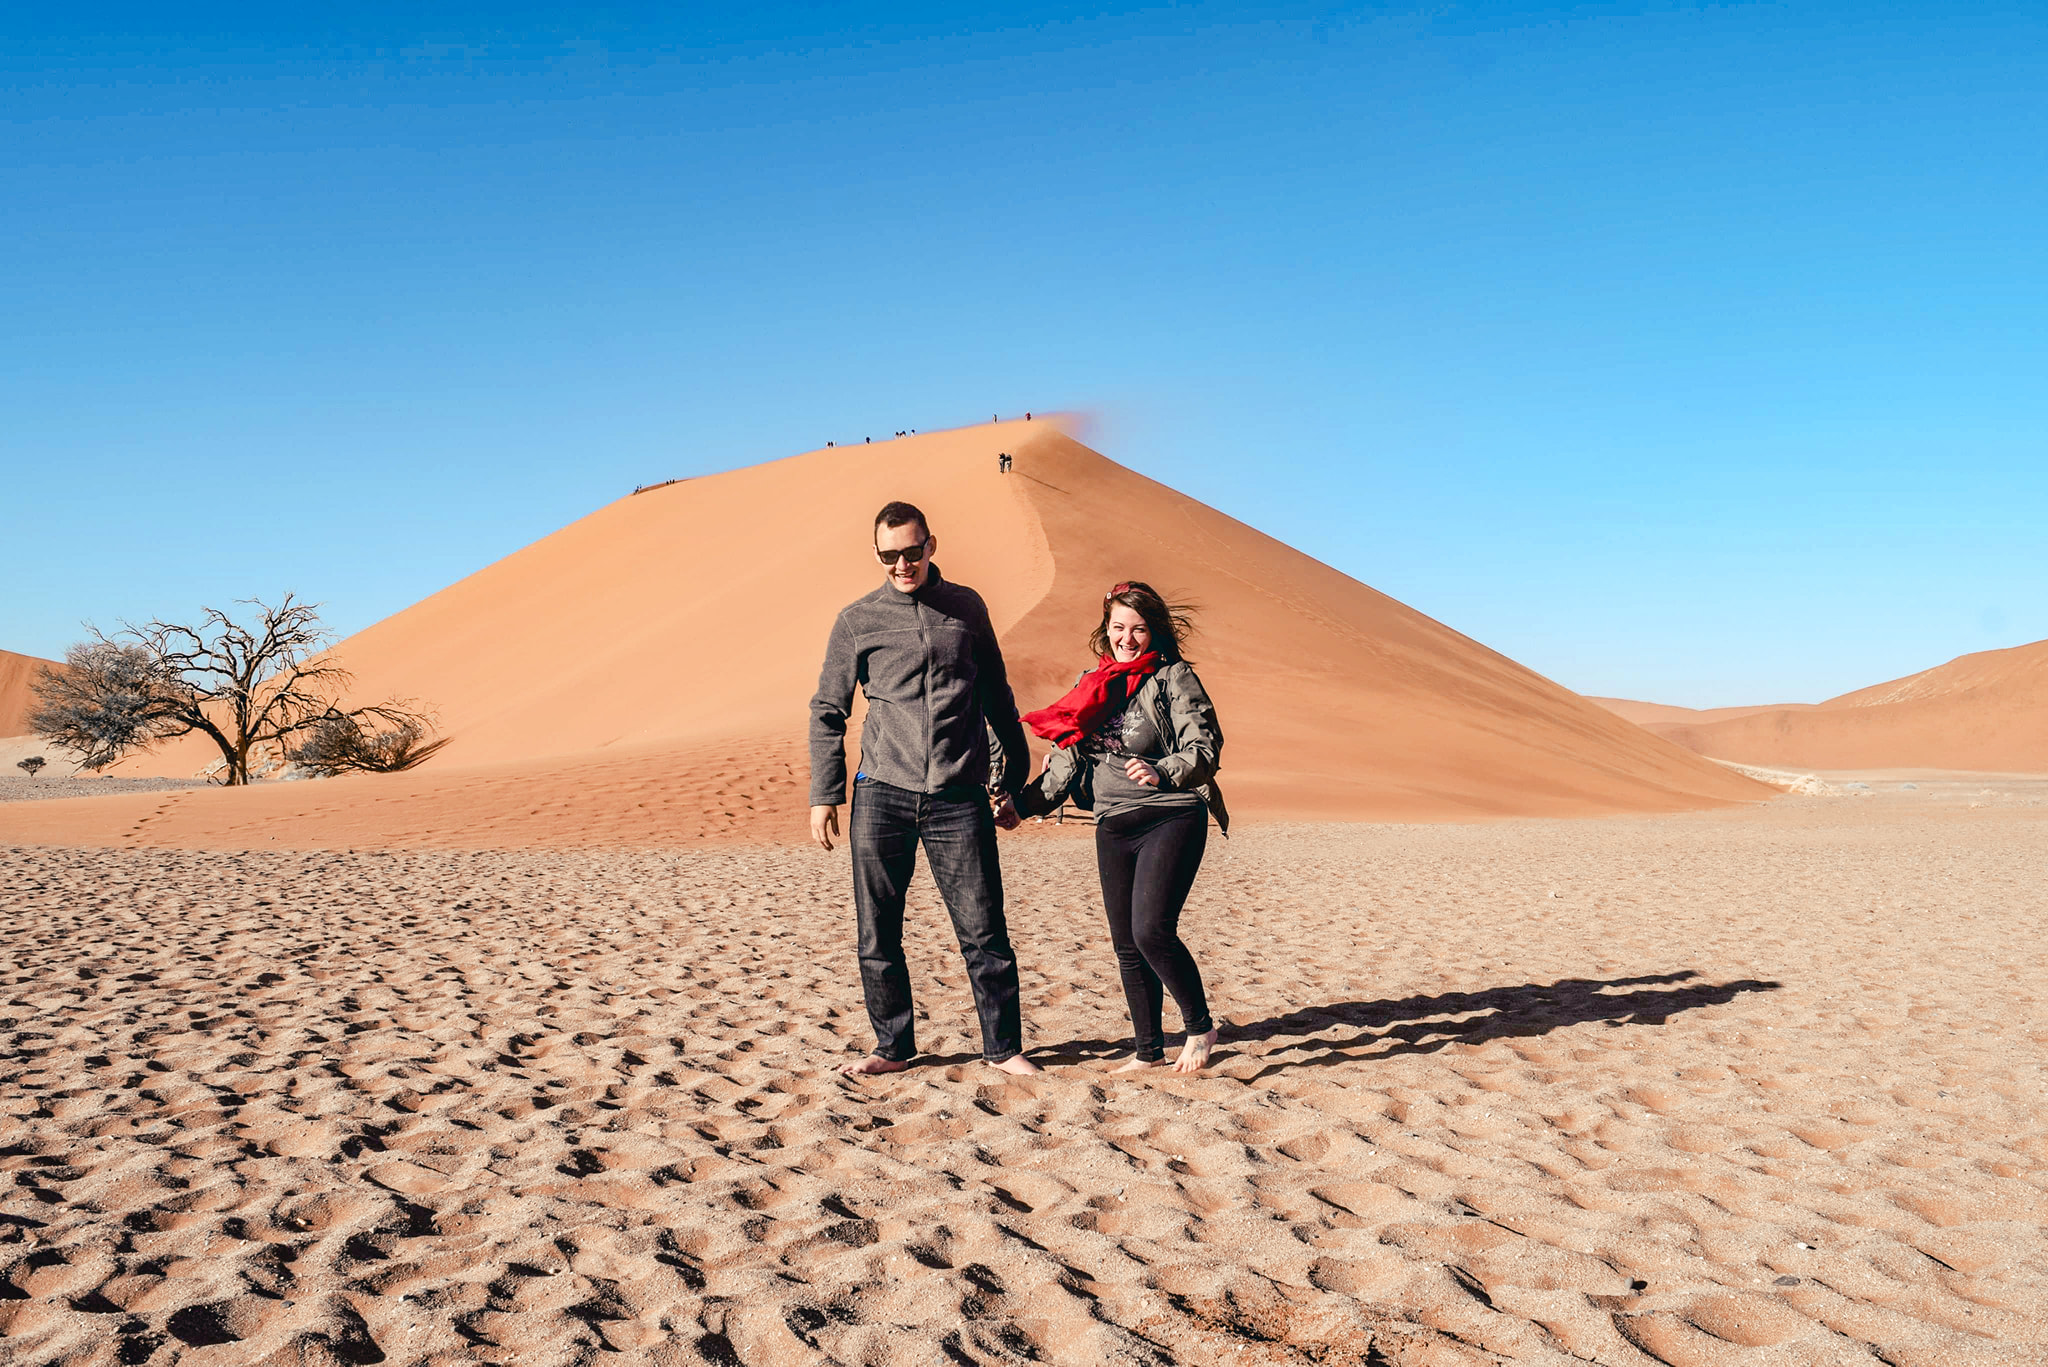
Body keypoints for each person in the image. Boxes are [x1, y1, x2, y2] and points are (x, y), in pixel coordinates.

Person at [809, 502, 1041, 1077]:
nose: (902, 565)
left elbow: (996, 694)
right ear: (877, 556)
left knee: (984, 928)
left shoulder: (965, 608)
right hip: (882, 791)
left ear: (931, 545)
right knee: (877, 929)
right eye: (890, 556)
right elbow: (827, 709)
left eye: (912, 552)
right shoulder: (857, 620)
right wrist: (825, 792)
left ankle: (1004, 1048)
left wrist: (1012, 773)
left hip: (957, 796)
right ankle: (893, 1047)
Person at [1016, 582, 1226, 1073]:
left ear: (1153, 632)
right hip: (1112, 822)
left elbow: (1206, 745)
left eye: (1138, 629)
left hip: (1171, 813)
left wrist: (1163, 769)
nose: (1127, 639)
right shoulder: (1091, 682)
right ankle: (1147, 1051)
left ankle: (1200, 1027)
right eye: (1118, 628)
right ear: (1104, 628)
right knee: (1126, 944)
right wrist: (1021, 809)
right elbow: (1063, 764)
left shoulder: (1173, 677)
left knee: (1152, 929)